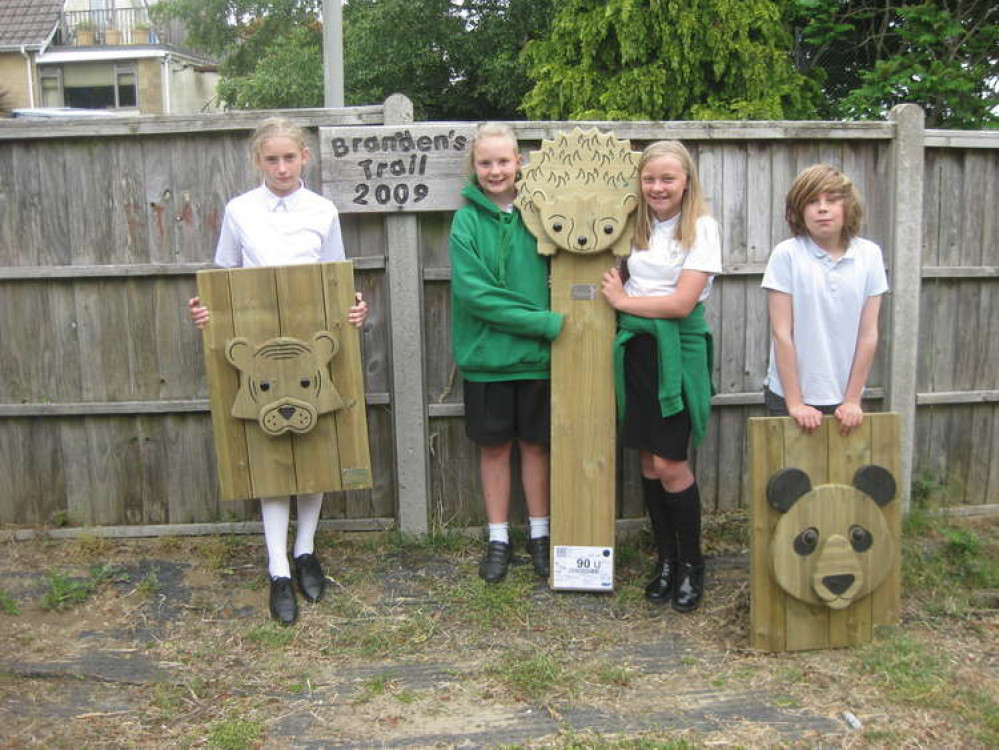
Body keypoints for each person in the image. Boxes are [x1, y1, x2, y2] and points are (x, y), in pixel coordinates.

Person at [188, 116, 368, 626]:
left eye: (290, 157)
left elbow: (337, 279)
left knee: (314, 444)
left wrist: (356, 309)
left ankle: (306, 550)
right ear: (258, 161)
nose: (282, 167)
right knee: (270, 456)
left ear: (304, 158)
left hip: (310, 352)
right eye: (273, 159)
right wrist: (204, 311)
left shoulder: (323, 210)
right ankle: (278, 569)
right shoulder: (240, 210)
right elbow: (222, 278)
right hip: (261, 351)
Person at [600, 141, 721, 612]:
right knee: (649, 464)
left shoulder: (702, 230)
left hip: (677, 351)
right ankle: (666, 561)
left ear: (687, 181)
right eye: (650, 179)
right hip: (638, 351)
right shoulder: (637, 227)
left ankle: (693, 564)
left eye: (668, 178)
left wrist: (625, 302)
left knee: (671, 463)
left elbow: (680, 303)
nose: (658, 187)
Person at [449, 123, 564, 584]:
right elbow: (476, 295)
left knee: (536, 445)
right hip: (486, 358)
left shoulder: (544, 213)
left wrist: (545, 329)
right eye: (485, 163)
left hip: (537, 359)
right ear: (474, 169)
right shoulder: (466, 220)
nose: (495, 170)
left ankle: (541, 535)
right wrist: (544, 322)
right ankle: (498, 537)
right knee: (494, 448)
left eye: (503, 161)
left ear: (520, 162)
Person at [762, 164, 887, 436]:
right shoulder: (787, 255)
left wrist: (852, 399)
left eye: (831, 200)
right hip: (789, 396)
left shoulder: (870, 255)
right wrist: (795, 403)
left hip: (844, 400)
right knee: (791, 478)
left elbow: (868, 334)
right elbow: (781, 333)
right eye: (811, 201)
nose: (822, 208)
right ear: (797, 211)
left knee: (840, 477)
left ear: (847, 206)